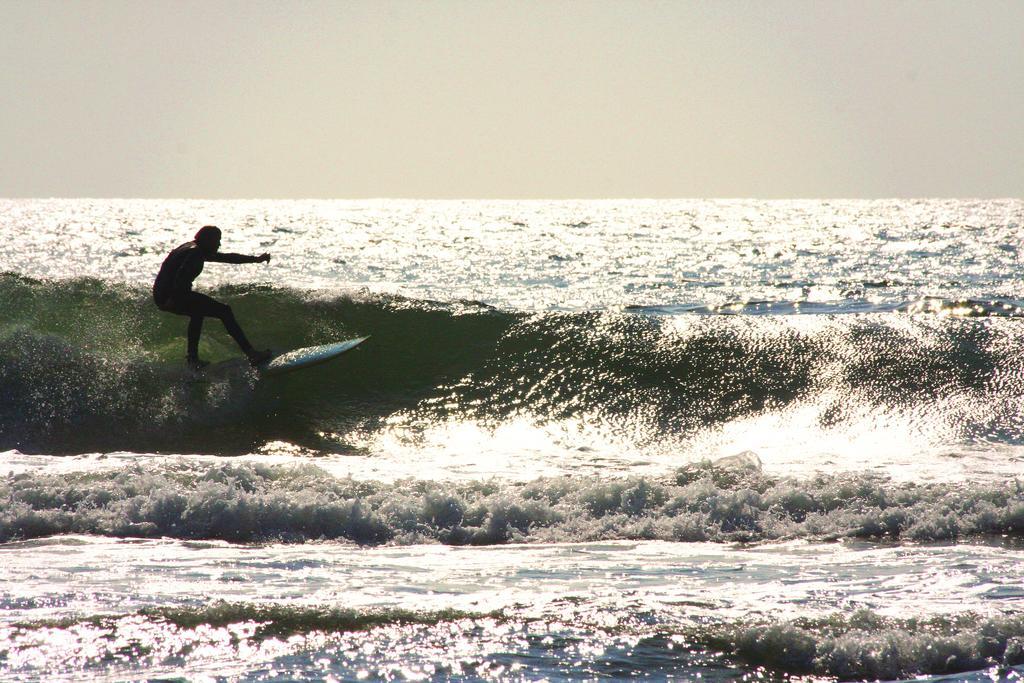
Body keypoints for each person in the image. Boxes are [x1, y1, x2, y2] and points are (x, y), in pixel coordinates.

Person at [153, 225, 273, 369]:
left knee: (197, 312)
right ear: (207, 240)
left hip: (163, 294)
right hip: (172, 294)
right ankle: (251, 353)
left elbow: (227, 257)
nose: (219, 244)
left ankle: (193, 359)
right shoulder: (195, 253)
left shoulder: (193, 248)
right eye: (217, 240)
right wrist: (171, 299)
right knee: (224, 311)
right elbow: (181, 276)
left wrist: (255, 259)